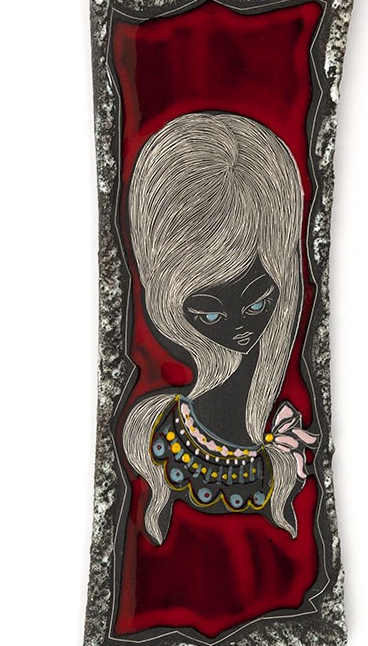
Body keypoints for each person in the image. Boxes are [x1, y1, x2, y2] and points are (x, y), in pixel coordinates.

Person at [122, 111, 318, 545]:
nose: (241, 326)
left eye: (258, 302)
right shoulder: (151, 434)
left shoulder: (285, 446)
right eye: (209, 314)